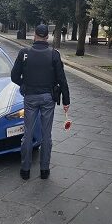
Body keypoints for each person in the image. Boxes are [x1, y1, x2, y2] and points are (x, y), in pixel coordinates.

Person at [11, 24, 70, 180]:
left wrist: (24, 84)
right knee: (46, 135)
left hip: (30, 97)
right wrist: (66, 101)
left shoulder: (24, 53)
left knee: (27, 134)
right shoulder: (54, 55)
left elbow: (14, 76)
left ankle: (25, 170)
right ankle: (44, 170)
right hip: (48, 98)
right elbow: (62, 79)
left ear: (35, 35)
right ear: (47, 36)